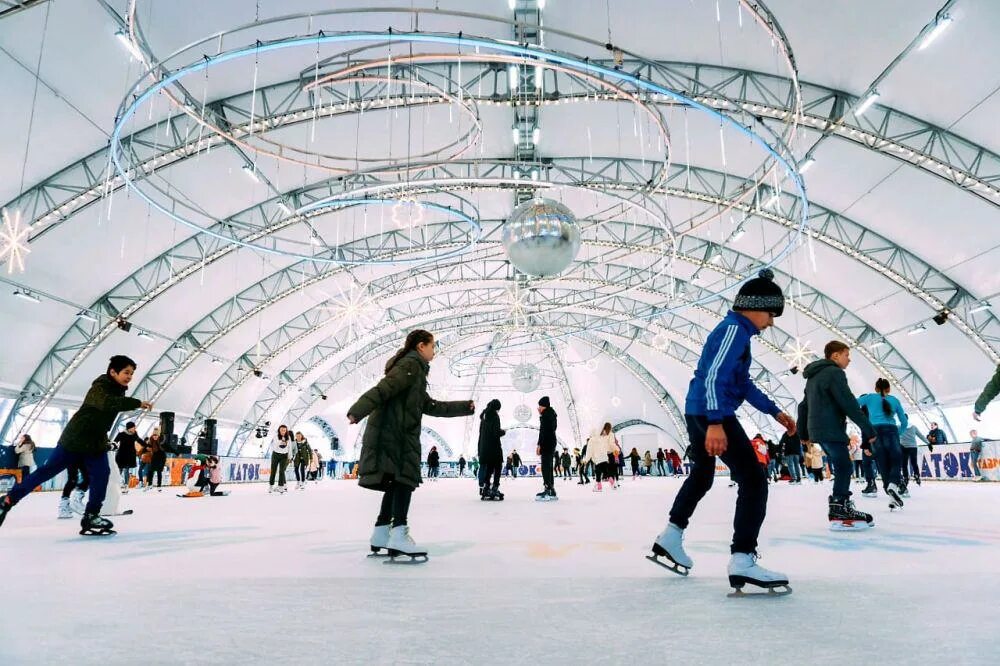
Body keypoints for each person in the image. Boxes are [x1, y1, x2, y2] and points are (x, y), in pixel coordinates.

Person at [648, 269, 796, 591]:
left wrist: (775, 411)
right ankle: (742, 557)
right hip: (712, 412)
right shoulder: (734, 331)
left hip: (698, 409)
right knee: (754, 479)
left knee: (702, 474)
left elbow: (741, 383)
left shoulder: (738, 334)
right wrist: (716, 423)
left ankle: (671, 536)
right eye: (771, 315)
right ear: (754, 308)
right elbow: (714, 377)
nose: (771, 323)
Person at [347, 329, 473, 561]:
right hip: (395, 435)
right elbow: (384, 389)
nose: (434, 351)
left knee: (396, 482)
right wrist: (357, 411)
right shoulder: (411, 365)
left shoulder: (415, 371)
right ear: (420, 346)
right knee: (404, 480)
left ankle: (382, 532)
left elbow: (431, 406)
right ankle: (399, 534)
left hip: (396, 433)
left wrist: (464, 407)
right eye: (432, 346)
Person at [0, 355, 152, 535]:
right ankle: (8, 500)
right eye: (126, 372)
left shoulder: (118, 390)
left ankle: (91, 515)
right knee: (46, 472)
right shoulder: (100, 386)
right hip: (75, 440)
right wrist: (137, 403)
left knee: (102, 475)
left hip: (95, 443)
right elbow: (106, 403)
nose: (130, 377)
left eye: (132, 374)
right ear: (113, 372)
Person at [798, 341, 878, 530]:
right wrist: (869, 429)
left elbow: (803, 406)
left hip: (818, 430)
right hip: (830, 427)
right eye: (846, 355)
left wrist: (803, 433)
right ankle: (839, 508)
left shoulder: (813, 377)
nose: (848, 360)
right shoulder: (835, 373)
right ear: (835, 355)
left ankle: (840, 505)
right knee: (844, 466)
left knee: (843, 465)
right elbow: (849, 403)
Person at [858, 378, 908, 509]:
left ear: (875, 389)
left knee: (883, 463)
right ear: (889, 389)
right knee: (896, 460)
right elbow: (904, 422)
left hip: (874, 432)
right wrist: (899, 433)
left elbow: (852, 403)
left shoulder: (869, 398)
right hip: (891, 431)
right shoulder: (895, 400)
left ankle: (890, 491)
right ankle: (893, 486)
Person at [477, 399, 505, 500]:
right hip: (494, 447)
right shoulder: (495, 416)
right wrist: (503, 432)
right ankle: (495, 487)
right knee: (498, 466)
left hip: (484, 447)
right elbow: (496, 433)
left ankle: (486, 487)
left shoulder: (484, 416)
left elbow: (482, 433)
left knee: (489, 468)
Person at [535, 396, 558, 501]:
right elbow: (553, 429)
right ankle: (551, 489)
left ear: (543, 406)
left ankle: (547, 488)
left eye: (539, 406)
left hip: (546, 443)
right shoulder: (552, 414)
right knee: (548, 466)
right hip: (552, 442)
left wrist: (539, 445)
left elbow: (543, 432)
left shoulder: (545, 416)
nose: (538, 408)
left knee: (545, 466)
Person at [583, 423, 617, 491]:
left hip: (598, 458)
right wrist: (606, 458)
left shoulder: (591, 440)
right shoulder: (601, 438)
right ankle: (612, 483)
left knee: (598, 472)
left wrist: (586, 459)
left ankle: (599, 487)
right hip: (604, 457)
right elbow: (605, 448)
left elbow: (589, 451)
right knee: (606, 472)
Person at [114, 422, 143, 492]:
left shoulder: (134, 434)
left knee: (126, 470)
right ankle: (116, 485)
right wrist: (113, 445)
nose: (135, 428)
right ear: (129, 428)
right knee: (119, 470)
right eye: (133, 427)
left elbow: (140, 441)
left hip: (129, 456)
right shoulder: (121, 434)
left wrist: (147, 445)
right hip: (121, 455)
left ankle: (126, 485)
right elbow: (115, 441)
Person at [899, 425, 929, 489]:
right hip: (911, 447)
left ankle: (906, 477)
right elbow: (920, 435)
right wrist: (928, 443)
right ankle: (915, 475)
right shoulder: (913, 427)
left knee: (905, 464)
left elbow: (894, 435)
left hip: (904, 447)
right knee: (912, 462)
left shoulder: (900, 426)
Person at [269, 425, 292, 493]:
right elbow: (275, 446)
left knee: (282, 471)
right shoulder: (276, 436)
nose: (283, 431)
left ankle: (281, 487)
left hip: (284, 456)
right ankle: (271, 486)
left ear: (286, 430)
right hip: (275, 454)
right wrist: (281, 441)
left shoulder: (288, 438)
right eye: (282, 430)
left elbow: (289, 447)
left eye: (284, 430)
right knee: (273, 470)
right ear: (279, 430)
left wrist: (290, 457)